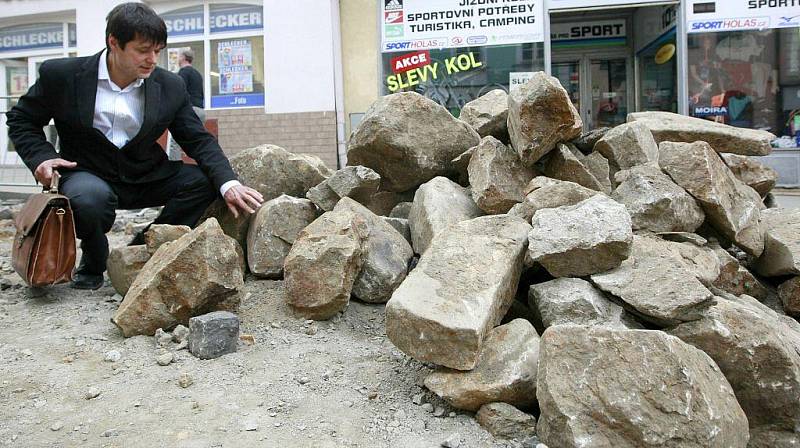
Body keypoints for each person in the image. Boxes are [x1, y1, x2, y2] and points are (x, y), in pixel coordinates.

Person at [6, 3, 263, 290]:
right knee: (90, 199)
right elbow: (21, 119)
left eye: (158, 50)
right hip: (87, 175)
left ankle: (141, 247)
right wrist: (42, 158)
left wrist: (229, 183)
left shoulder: (171, 85)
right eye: (143, 50)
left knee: (205, 182)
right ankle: (94, 255)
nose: (152, 59)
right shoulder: (62, 75)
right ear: (113, 42)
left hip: (145, 174)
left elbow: (198, 140)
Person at [177, 48, 205, 123]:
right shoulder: (197, 74)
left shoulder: (183, 72)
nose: (178, 59)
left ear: (183, 57)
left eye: (179, 57)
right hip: (200, 110)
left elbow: (180, 92)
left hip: (189, 110)